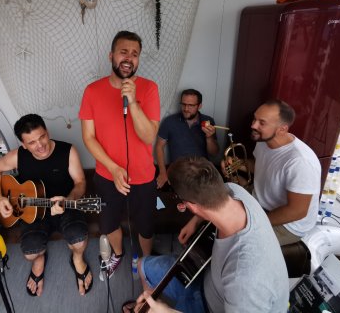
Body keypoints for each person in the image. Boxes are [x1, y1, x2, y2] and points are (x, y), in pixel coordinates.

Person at [131, 157, 289, 313]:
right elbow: (210, 200)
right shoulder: (234, 190)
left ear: (191, 206)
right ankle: (150, 304)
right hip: (208, 278)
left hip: (211, 307)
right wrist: (194, 222)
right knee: (142, 265)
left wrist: (166, 311)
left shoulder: (245, 278)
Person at [79, 30, 160, 276]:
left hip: (143, 176)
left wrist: (132, 102)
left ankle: (146, 261)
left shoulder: (149, 88)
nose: (129, 58)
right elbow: (88, 137)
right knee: (109, 222)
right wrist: (113, 168)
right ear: (111, 55)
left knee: (145, 226)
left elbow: (149, 136)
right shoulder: (92, 91)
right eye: (123, 52)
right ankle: (118, 253)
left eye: (134, 54)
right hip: (107, 175)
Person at [0, 113, 92, 297]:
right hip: (33, 212)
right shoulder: (18, 156)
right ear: (23, 145)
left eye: (42, 137)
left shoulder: (68, 151)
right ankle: (39, 260)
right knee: (30, 253)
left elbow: (80, 182)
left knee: (79, 240)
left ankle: (77, 258)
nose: (40, 145)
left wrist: (67, 199)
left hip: (66, 205)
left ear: (47, 132)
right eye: (32, 142)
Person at [247, 99, 321, 246]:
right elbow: (260, 166)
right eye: (255, 119)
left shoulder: (300, 162)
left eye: (262, 123)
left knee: (243, 241)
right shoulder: (264, 141)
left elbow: (297, 211)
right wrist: (237, 164)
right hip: (261, 200)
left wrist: (256, 222)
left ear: (282, 129)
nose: (253, 125)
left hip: (289, 225)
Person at [155, 89, 218, 188]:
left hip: (202, 174)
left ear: (199, 106)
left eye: (191, 105)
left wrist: (209, 137)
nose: (186, 109)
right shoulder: (169, 121)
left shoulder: (208, 121)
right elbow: (159, 146)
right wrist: (163, 172)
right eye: (183, 104)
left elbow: (214, 153)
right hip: (178, 173)